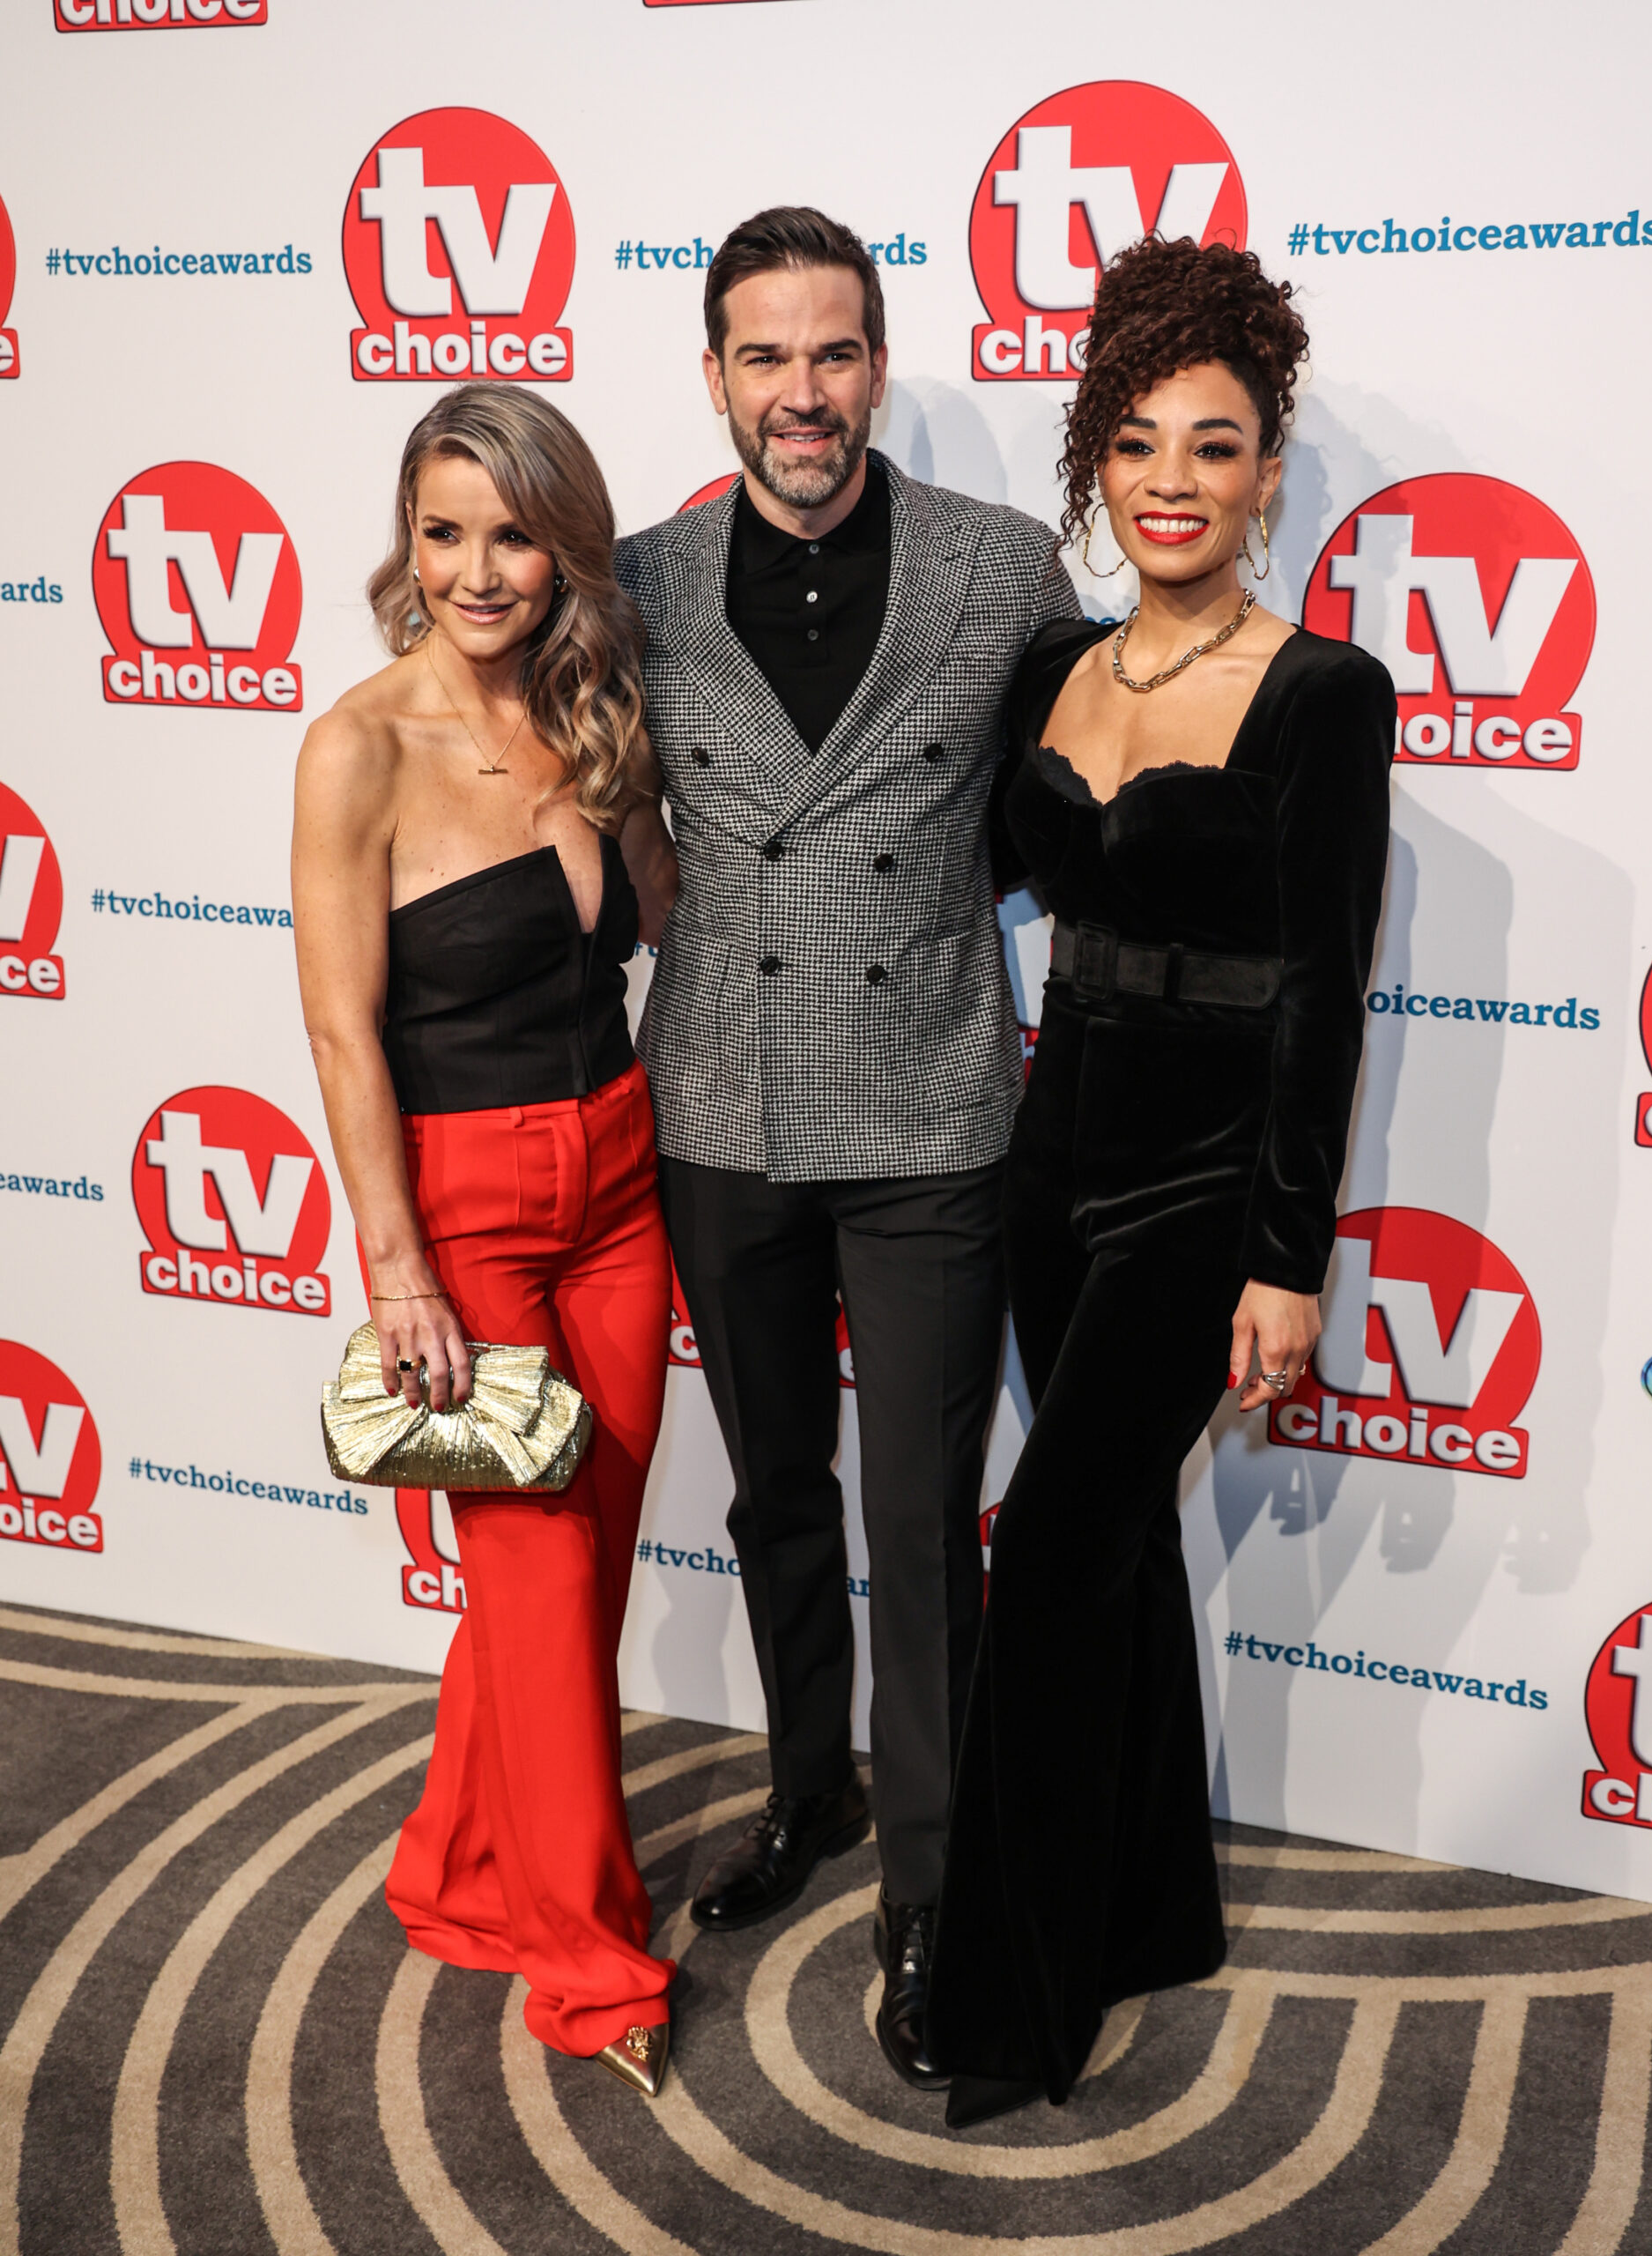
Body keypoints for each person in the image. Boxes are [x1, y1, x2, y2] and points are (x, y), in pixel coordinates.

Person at [927, 236, 1396, 2126]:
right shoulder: (1054, 658)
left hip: (1203, 1183)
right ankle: (1151, 1910)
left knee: (1043, 1550)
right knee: (1111, 1562)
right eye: (1139, 444)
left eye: (1217, 443)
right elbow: (960, 872)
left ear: (1273, 469)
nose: (1175, 479)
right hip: (1054, 1152)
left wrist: (1288, 1259)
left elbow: (1322, 994)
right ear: (1095, 469)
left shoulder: (1325, 692)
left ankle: (1005, 2006)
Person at [613, 207, 1079, 2090]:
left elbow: (1054, 804)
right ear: (716, 372)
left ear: (877, 364)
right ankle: (809, 1791)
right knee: (777, 1495)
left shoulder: (1003, 564)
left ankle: (932, 1885)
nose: (801, 394)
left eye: (832, 353)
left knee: (916, 1514)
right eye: (763, 356)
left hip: (929, 1105)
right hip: (724, 1104)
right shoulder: (639, 576)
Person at [292, 383, 680, 2099]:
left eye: (512, 531)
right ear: (408, 538)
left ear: (562, 543)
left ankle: (455, 1861)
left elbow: (662, 923)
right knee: (536, 1586)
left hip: (623, 1186)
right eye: (443, 530)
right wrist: (397, 1274)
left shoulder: (595, 715)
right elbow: (340, 1034)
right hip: (468, 1222)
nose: (476, 567)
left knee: (565, 1602)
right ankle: (592, 1973)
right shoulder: (356, 745)